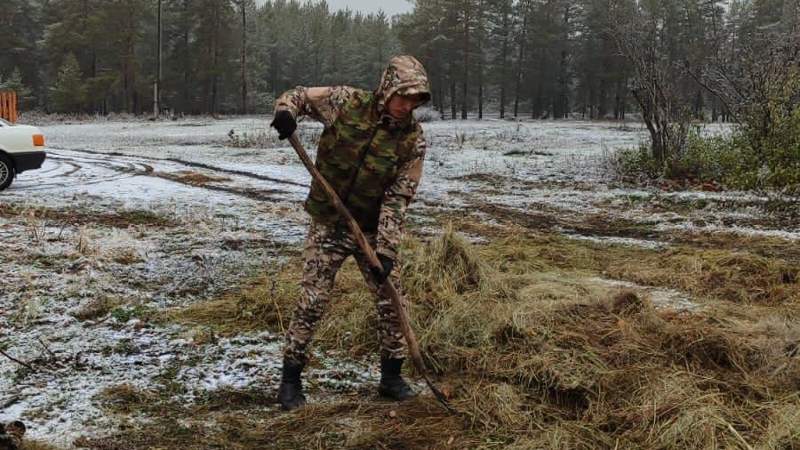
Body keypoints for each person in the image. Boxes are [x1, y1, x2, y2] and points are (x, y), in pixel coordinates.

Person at [269, 55, 431, 411]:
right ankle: (290, 381)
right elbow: (298, 95)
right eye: (403, 96)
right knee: (313, 300)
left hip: (372, 230)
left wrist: (385, 251)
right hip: (329, 222)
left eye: (416, 99)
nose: (407, 105)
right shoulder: (347, 102)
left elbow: (398, 197)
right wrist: (286, 112)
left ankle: (391, 378)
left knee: (392, 301)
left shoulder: (412, 141)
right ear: (387, 88)